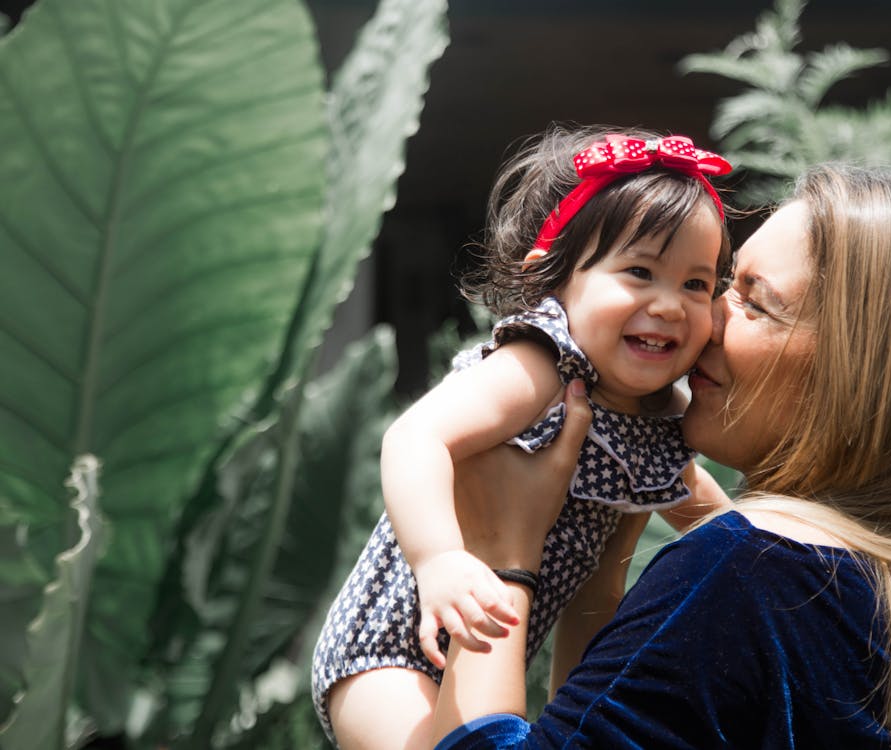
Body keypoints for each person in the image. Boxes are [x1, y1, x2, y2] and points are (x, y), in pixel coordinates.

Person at [427, 164, 891, 750]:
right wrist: (607, 560)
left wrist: (504, 554)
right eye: (722, 284)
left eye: (755, 301)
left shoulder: (743, 573)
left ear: (858, 377)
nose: (703, 319)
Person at [311, 124, 736, 749]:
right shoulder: (541, 364)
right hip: (390, 646)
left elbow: (706, 532)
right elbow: (415, 437)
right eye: (640, 271)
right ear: (552, 281)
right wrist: (439, 560)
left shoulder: (658, 417)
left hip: (489, 647)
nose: (670, 305)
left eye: (696, 284)